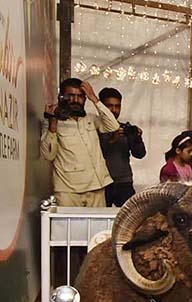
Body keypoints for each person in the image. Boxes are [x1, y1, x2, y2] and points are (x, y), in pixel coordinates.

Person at [40, 78, 120, 207]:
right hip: (68, 190)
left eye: (80, 97)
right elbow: (48, 155)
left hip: (96, 187)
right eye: (71, 96)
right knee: (69, 228)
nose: (76, 101)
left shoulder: (91, 119)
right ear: (61, 97)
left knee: (98, 227)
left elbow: (113, 126)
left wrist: (94, 99)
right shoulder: (51, 122)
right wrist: (53, 122)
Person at [98, 87, 146, 207]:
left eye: (117, 106)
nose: (114, 110)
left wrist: (137, 138)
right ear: (101, 107)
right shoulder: (93, 127)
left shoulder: (125, 128)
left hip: (124, 182)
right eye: (109, 106)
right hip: (101, 182)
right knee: (100, 217)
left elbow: (140, 154)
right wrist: (112, 139)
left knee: (130, 216)